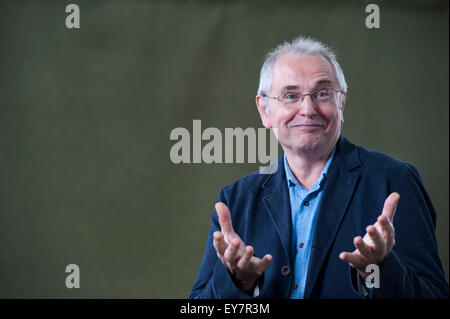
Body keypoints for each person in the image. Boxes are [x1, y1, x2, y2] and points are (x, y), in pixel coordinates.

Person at [189, 36, 449, 298]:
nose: (308, 108)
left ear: (341, 102)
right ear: (265, 111)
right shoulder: (236, 200)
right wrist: (238, 283)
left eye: (322, 93)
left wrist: (379, 269)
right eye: (290, 96)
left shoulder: (395, 182)